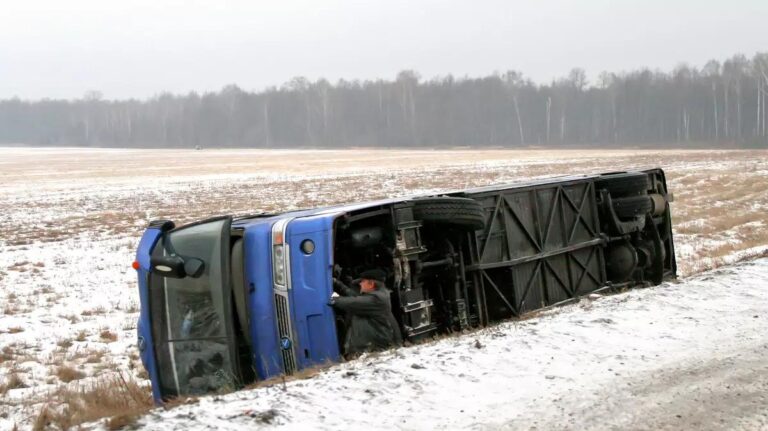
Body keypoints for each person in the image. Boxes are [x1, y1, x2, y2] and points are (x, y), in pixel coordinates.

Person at [330, 268, 403, 356]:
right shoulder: (378, 294)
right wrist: (338, 284)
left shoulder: (376, 299)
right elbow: (356, 297)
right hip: (375, 346)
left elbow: (351, 302)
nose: (360, 283)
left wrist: (333, 299)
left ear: (371, 284)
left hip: (376, 349)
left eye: (362, 281)